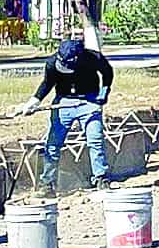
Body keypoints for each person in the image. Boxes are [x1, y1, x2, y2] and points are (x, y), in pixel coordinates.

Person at [13, 37, 113, 191]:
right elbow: (47, 83)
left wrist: (104, 92)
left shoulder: (93, 58)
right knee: (53, 144)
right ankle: (48, 183)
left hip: (89, 102)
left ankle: (101, 178)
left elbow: (107, 73)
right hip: (63, 102)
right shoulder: (53, 63)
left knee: (95, 140)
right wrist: (33, 103)